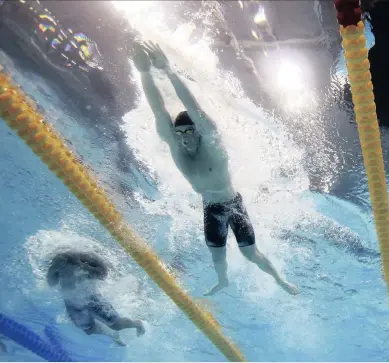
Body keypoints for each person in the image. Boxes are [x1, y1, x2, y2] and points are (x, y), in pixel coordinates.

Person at [131, 41, 299, 297]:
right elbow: (158, 110)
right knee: (217, 256)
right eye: (180, 133)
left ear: (198, 131)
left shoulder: (211, 142)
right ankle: (223, 281)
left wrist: (168, 71)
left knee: (250, 254)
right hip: (210, 208)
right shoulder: (176, 147)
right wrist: (144, 73)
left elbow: (194, 108)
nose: (185, 138)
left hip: (233, 204)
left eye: (189, 131)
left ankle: (279, 280)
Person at [47, 251, 145, 346]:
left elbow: (104, 274)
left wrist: (87, 269)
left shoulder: (89, 258)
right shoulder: (59, 262)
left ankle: (137, 324)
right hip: (72, 302)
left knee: (116, 325)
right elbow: (51, 282)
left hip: (93, 299)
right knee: (88, 329)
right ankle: (112, 335)